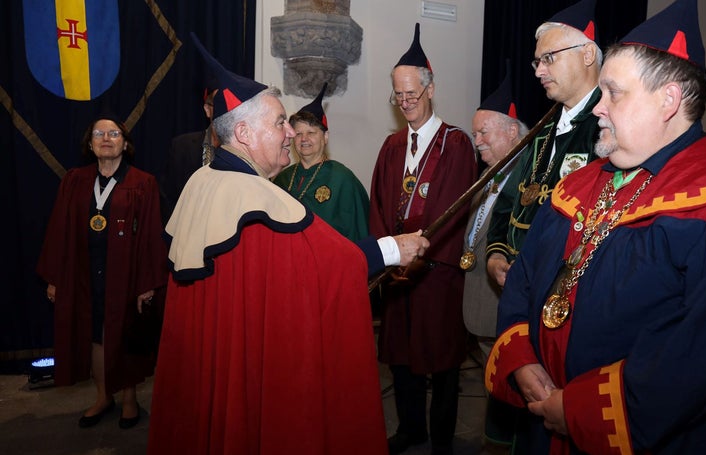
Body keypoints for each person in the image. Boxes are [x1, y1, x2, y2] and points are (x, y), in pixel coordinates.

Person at [485, 0, 706, 453]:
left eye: (614, 93)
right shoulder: (577, 186)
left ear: (668, 100)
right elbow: (524, 282)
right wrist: (521, 359)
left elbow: (702, 355)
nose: (598, 108)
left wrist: (576, 410)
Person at [147, 35, 427, 455]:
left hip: (212, 368)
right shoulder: (256, 197)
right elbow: (323, 265)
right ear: (242, 132)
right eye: (279, 123)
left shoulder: (203, 183)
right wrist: (392, 249)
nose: (290, 134)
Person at [368, 23, 478, 455]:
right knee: (401, 358)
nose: (406, 101)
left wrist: (419, 258)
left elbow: (452, 211)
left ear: (430, 89)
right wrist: (388, 256)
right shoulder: (392, 145)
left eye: (412, 92)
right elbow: (377, 206)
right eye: (399, 94)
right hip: (397, 271)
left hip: (436, 273)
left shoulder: (456, 144)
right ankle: (411, 427)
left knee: (443, 363)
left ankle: (443, 440)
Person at [36, 115, 168, 430]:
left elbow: (152, 234)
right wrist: (56, 277)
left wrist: (147, 282)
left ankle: (129, 399)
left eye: (113, 133)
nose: (106, 138)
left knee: (123, 334)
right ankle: (102, 396)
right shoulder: (75, 180)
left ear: (125, 142)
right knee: (95, 335)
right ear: (91, 144)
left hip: (126, 274)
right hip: (84, 273)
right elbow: (58, 230)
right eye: (99, 133)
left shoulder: (142, 182)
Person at [486, 0, 602, 288]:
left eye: (549, 58)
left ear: (587, 54)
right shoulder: (542, 130)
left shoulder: (607, 128)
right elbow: (509, 200)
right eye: (537, 62)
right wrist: (497, 253)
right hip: (521, 286)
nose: (538, 72)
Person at [462, 65, 527, 447]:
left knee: (510, 393)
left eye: (484, 132)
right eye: (474, 133)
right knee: (495, 388)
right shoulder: (488, 175)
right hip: (478, 303)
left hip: (500, 304)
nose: (477, 140)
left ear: (511, 131)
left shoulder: (524, 179)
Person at [273, 82, 370, 242]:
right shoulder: (282, 179)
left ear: (325, 137)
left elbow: (358, 233)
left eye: (311, 132)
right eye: (298, 134)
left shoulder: (343, 179)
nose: (304, 139)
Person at [158, 85, 219, 224]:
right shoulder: (182, 146)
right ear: (207, 110)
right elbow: (168, 196)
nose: (225, 111)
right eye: (219, 105)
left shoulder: (242, 149)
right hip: (186, 233)